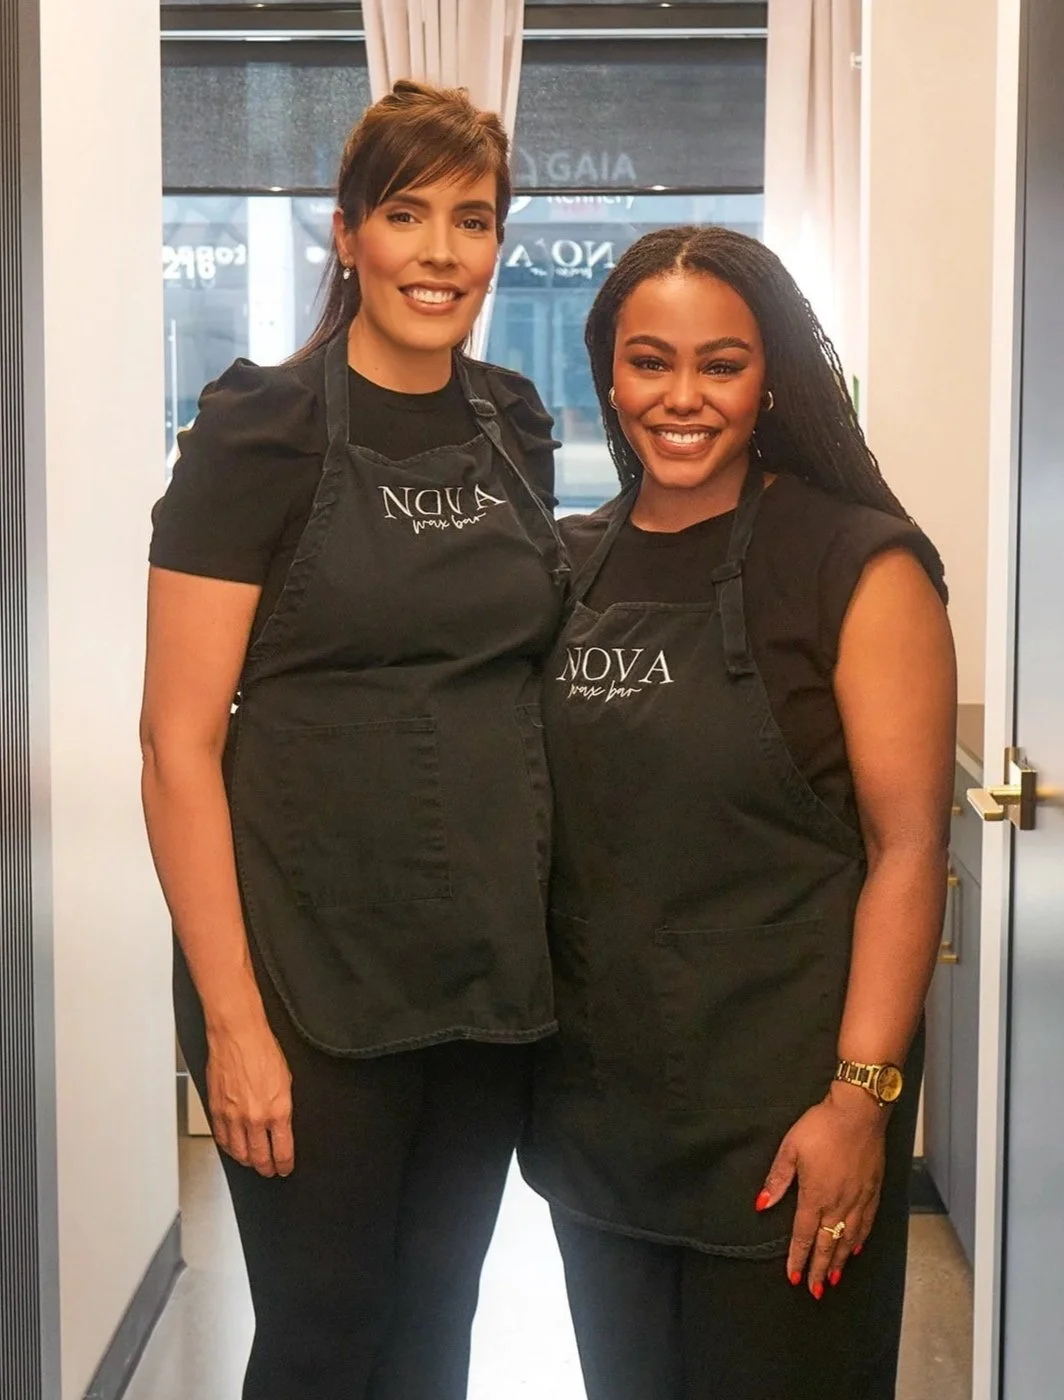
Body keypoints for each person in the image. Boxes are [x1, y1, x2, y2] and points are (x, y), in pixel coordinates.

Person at [140, 80, 566, 1400]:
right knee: (325, 1337)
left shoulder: (515, 422)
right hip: (304, 981)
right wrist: (233, 1024)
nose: (441, 253)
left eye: (472, 220)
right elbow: (174, 745)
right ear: (346, 233)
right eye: (406, 214)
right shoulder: (257, 431)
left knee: (436, 1331)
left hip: (484, 971)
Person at [519, 225, 956, 1400]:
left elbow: (908, 847)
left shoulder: (857, 566)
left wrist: (858, 1100)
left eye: (721, 363)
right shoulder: (565, 565)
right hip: (601, 1122)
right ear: (608, 375)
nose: (682, 396)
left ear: (771, 379)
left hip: (788, 1118)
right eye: (648, 361)